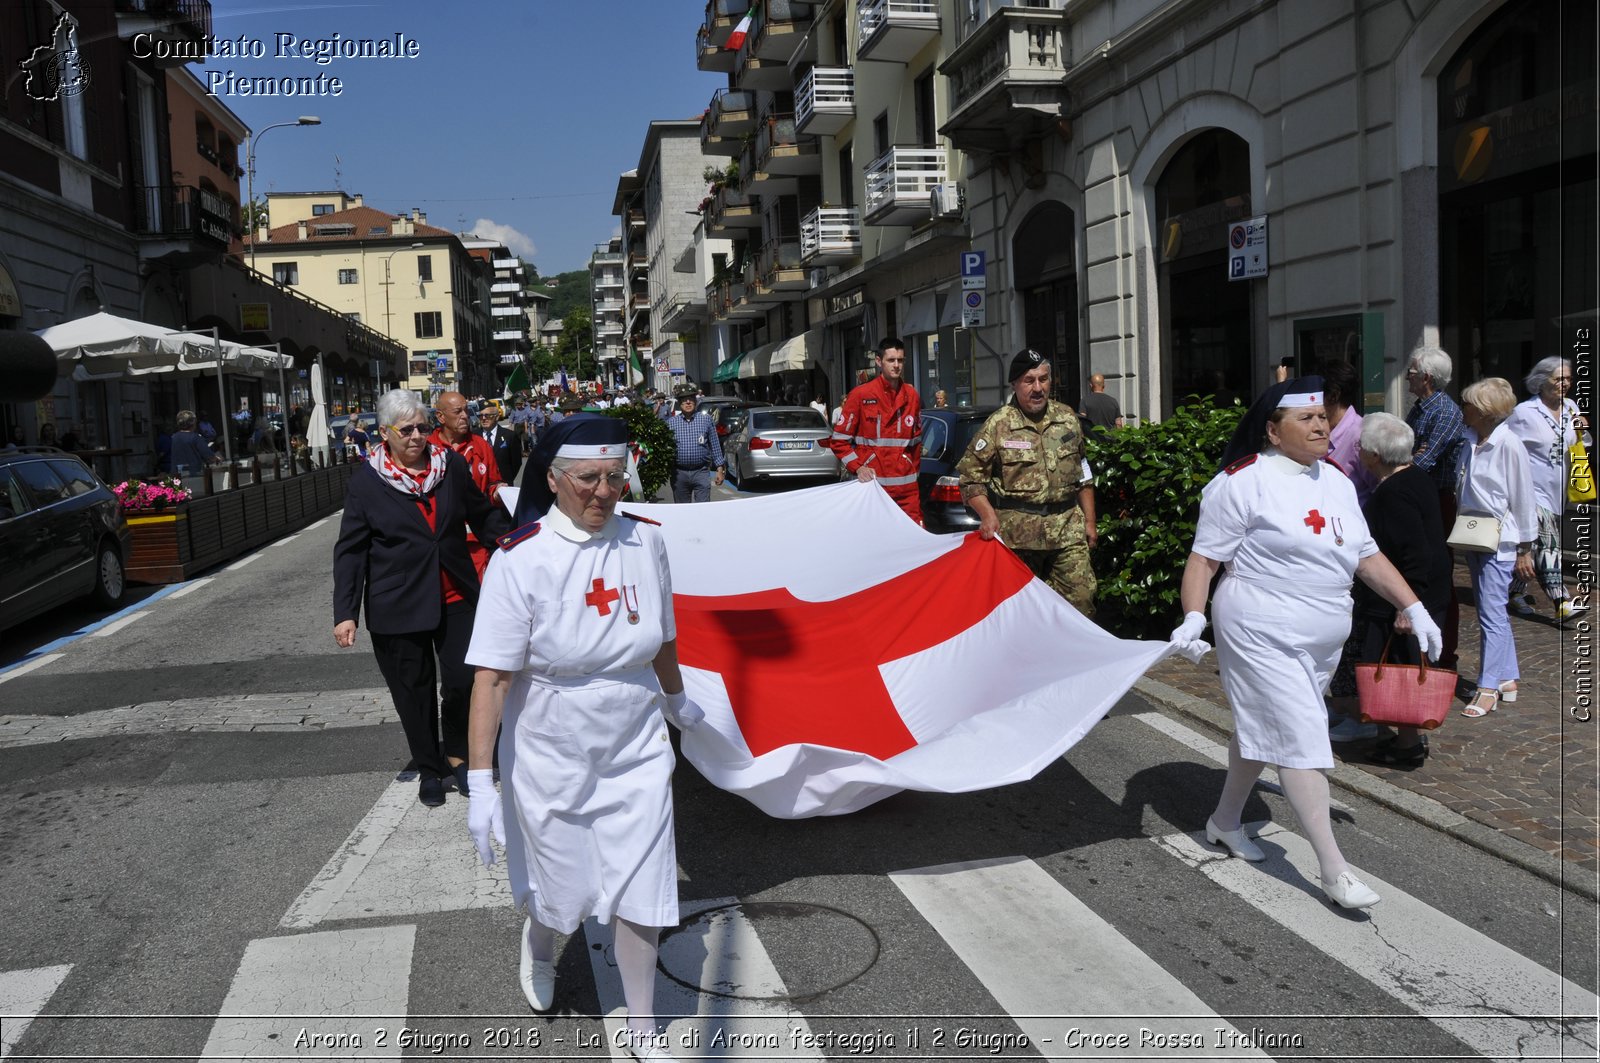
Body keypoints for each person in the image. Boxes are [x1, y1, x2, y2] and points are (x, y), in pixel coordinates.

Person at [466, 414, 700, 1061]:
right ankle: (540, 944)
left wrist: (678, 700)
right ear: (554, 478)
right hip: (552, 750)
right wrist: (480, 781)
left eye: (615, 477)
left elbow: (665, 634)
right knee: (559, 891)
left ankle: (642, 1025)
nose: (603, 491)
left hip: (635, 747)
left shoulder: (646, 542)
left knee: (642, 883)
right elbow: (491, 678)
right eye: (588, 478)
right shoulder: (521, 559)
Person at [1167, 377, 1443, 910]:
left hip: (1322, 633)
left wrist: (1414, 606)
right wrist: (1194, 616)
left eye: (1323, 418)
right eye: (1306, 419)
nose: (1321, 426)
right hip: (1260, 626)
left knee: (1266, 729)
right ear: (1273, 430)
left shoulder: (1337, 480)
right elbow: (1204, 559)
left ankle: (1224, 822)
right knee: (1300, 735)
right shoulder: (1241, 482)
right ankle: (1334, 870)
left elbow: (1366, 555)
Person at [332, 389, 509, 807]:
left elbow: (481, 515)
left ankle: (461, 756)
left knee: (466, 681)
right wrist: (346, 612)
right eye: (406, 429)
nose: (417, 437)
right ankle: (430, 769)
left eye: (423, 428)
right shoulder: (366, 481)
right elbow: (351, 550)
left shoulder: (450, 465)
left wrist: (516, 542)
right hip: (398, 602)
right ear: (384, 433)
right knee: (413, 691)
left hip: (455, 591)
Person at [956, 349, 1099, 615]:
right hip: (1017, 539)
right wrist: (987, 516)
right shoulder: (998, 425)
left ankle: (1069, 656)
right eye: (1029, 380)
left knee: (1082, 601)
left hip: (1067, 530)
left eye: (1043, 379)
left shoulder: (1068, 419)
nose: (1037, 388)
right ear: (1014, 384)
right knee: (1020, 612)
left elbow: (1083, 474)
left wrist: (1090, 521)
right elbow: (970, 479)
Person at [1349, 413, 1453, 765]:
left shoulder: (1394, 493)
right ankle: (1404, 739)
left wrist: (1406, 606)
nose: (1358, 449)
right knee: (1405, 665)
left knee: (1402, 668)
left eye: (1362, 446)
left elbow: (1413, 552)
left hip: (1407, 596)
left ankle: (1407, 744)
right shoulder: (1416, 478)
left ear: (1375, 456)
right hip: (1421, 592)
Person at [1455, 377, 1538, 718]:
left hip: (1500, 539)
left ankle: (1487, 686)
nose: (1464, 409)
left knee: (1490, 614)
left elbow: (1523, 496)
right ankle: (1508, 676)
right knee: (1493, 611)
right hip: (1472, 533)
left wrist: (1525, 548)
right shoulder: (1469, 440)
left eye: (1469, 404)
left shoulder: (1509, 444)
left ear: (1486, 411)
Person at [1505, 356, 1588, 621]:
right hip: (1532, 489)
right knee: (1549, 543)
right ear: (1541, 382)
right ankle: (1561, 601)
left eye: (1568, 378)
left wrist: (1582, 431)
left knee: (1540, 546)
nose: (1565, 384)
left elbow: (1582, 445)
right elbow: (1505, 446)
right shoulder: (1524, 413)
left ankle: (1513, 592)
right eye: (1558, 379)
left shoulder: (1571, 407)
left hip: (1559, 490)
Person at [1403, 345, 1466, 670]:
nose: (1407, 376)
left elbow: (1421, 459)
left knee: (1439, 575)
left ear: (1426, 376)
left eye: (1412, 371)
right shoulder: (1419, 408)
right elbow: (1408, 451)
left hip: (1437, 501)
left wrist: (1403, 460)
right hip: (1419, 497)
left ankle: (1444, 655)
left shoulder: (1443, 411)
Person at [826, 338, 923, 524]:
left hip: (907, 493)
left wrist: (912, 469)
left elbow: (916, 442)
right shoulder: (861, 395)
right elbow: (838, 441)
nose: (896, 365)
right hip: (873, 489)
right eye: (891, 360)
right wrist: (858, 468)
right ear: (879, 361)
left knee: (912, 545)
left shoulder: (912, 396)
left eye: (900, 360)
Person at [431, 390, 506, 578]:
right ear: (440, 416)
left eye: (466, 411)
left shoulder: (481, 446)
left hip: (477, 543)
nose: (465, 416)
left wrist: (498, 492)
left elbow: (492, 483)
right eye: (458, 412)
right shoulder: (427, 447)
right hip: (440, 542)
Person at [1320, 360, 1377, 506]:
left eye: (1316, 394)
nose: (1311, 401)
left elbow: (1379, 491)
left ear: (1333, 395)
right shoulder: (1319, 430)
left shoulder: (1362, 437)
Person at [666, 387, 725, 503]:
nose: (688, 402)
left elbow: (715, 446)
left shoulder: (706, 420)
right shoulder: (670, 423)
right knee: (682, 511)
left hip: (701, 472)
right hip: (679, 474)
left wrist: (720, 469)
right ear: (679, 403)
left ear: (696, 401)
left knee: (702, 510)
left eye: (691, 399)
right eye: (684, 399)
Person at [479, 403, 523, 486]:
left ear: (497, 417)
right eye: (481, 415)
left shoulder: (509, 436)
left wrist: (507, 479)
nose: (484, 418)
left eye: (488, 415)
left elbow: (516, 462)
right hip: (480, 486)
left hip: (503, 484)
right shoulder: (474, 435)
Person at [170, 411, 218, 476]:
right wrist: (217, 459)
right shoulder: (195, 437)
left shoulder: (173, 438)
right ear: (193, 423)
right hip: (193, 474)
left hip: (177, 475)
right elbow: (209, 456)